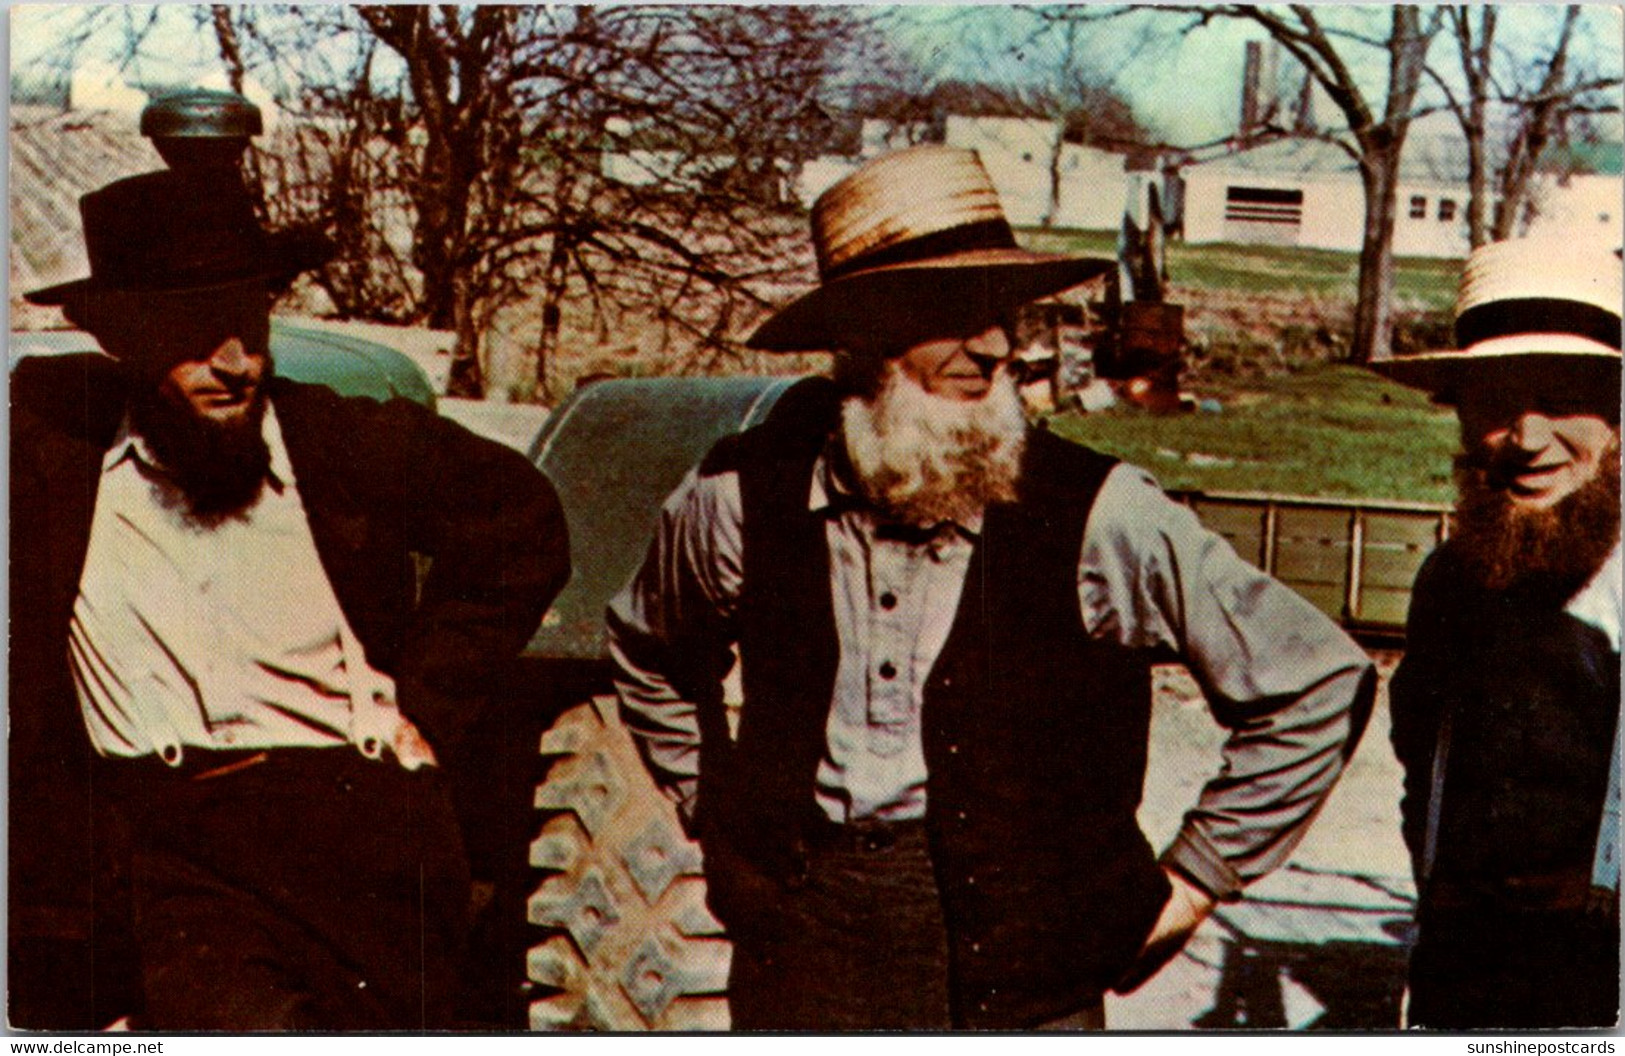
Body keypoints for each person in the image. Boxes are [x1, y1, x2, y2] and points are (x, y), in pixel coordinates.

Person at [607, 145, 1377, 1031]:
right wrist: (713, 805)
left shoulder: (1097, 512)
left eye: (1004, 313)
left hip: (1022, 978)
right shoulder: (740, 494)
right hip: (802, 956)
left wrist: (1197, 878)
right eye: (952, 313)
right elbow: (649, 648)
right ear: (862, 335)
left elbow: (1316, 681)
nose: (996, 346)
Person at [10, 169, 571, 1030]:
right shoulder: (55, 453)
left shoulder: (344, 443)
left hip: (353, 826)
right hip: (173, 839)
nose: (235, 362)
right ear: (122, 332)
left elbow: (523, 521)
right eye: (197, 331)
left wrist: (427, 700)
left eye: (250, 321)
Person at [1378, 238, 1621, 1029]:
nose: (1526, 435)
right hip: (1464, 971)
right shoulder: (1450, 581)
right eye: (1495, 401)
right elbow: (1422, 769)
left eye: (1559, 397)